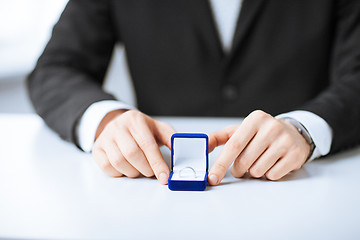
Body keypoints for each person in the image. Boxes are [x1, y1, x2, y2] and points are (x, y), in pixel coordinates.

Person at [27, 0, 360, 186]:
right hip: (153, 194)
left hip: (303, 186)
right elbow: (56, 68)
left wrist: (306, 129)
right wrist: (105, 120)